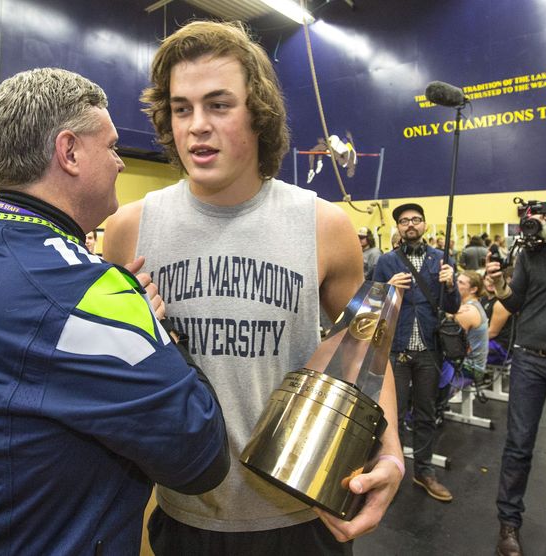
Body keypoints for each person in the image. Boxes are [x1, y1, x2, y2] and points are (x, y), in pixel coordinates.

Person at [0, 67, 229, 555]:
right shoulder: (81, 290)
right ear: (69, 152)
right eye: (112, 147)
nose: (121, 164)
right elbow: (200, 456)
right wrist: (154, 327)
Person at [104, 20, 402, 556]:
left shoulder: (325, 226)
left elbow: (365, 352)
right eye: (181, 108)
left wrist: (393, 452)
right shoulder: (129, 229)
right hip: (180, 514)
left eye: (219, 105)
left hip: (303, 512)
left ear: (258, 114)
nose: (196, 126)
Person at [486, 186, 546, 555]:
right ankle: (508, 523)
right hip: (530, 359)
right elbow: (515, 301)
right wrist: (498, 285)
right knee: (518, 446)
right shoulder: (532, 253)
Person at [372, 202, 459, 502]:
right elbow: (371, 308)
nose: (411, 224)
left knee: (425, 413)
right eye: (405, 221)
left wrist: (450, 285)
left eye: (416, 219)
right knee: (390, 416)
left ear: (424, 224)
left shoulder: (441, 260)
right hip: (396, 350)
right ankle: (389, 470)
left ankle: (424, 471)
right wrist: (387, 288)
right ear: (398, 227)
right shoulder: (386, 262)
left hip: (429, 350)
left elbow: (453, 307)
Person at [452, 270, 488, 382]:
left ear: (473, 289)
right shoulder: (470, 305)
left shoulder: (467, 311)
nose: (455, 284)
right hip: (474, 365)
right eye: (456, 281)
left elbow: (452, 346)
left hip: (471, 368)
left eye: (461, 283)